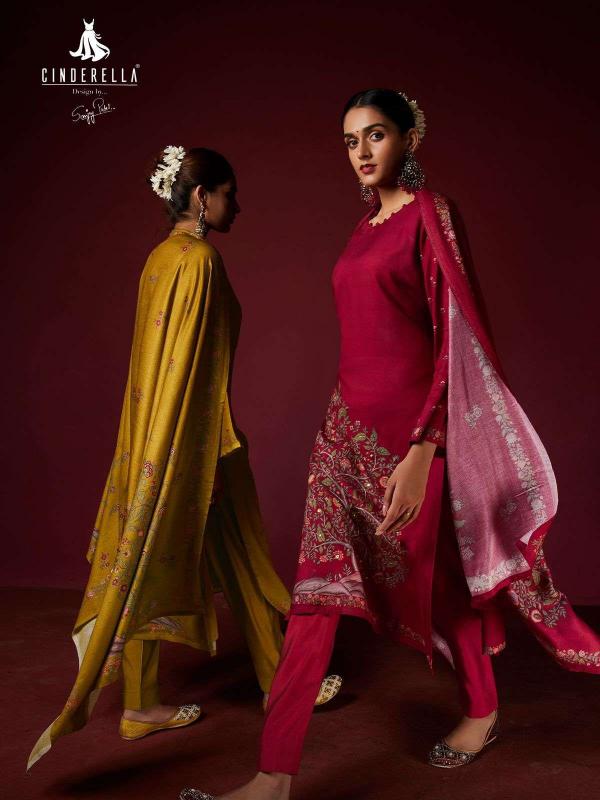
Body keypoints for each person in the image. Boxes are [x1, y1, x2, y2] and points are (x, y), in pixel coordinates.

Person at [180, 89, 600, 800]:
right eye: (350, 141)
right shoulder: (361, 228)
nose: (362, 152)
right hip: (343, 437)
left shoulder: (430, 214)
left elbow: (454, 339)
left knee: (444, 581)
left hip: (413, 442)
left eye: (375, 135)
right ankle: (273, 778)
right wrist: (343, 435)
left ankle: (482, 709)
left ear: (409, 137)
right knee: (314, 599)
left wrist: (423, 450)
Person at [27, 146, 339, 771]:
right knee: (226, 554)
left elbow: (158, 368)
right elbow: (189, 368)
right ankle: (275, 682)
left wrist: (157, 453)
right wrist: (196, 456)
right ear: (201, 196)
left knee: (148, 549)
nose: (236, 206)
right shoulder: (199, 261)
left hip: (156, 437)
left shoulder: (158, 259)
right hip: (197, 440)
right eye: (228, 193)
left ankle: (148, 702)